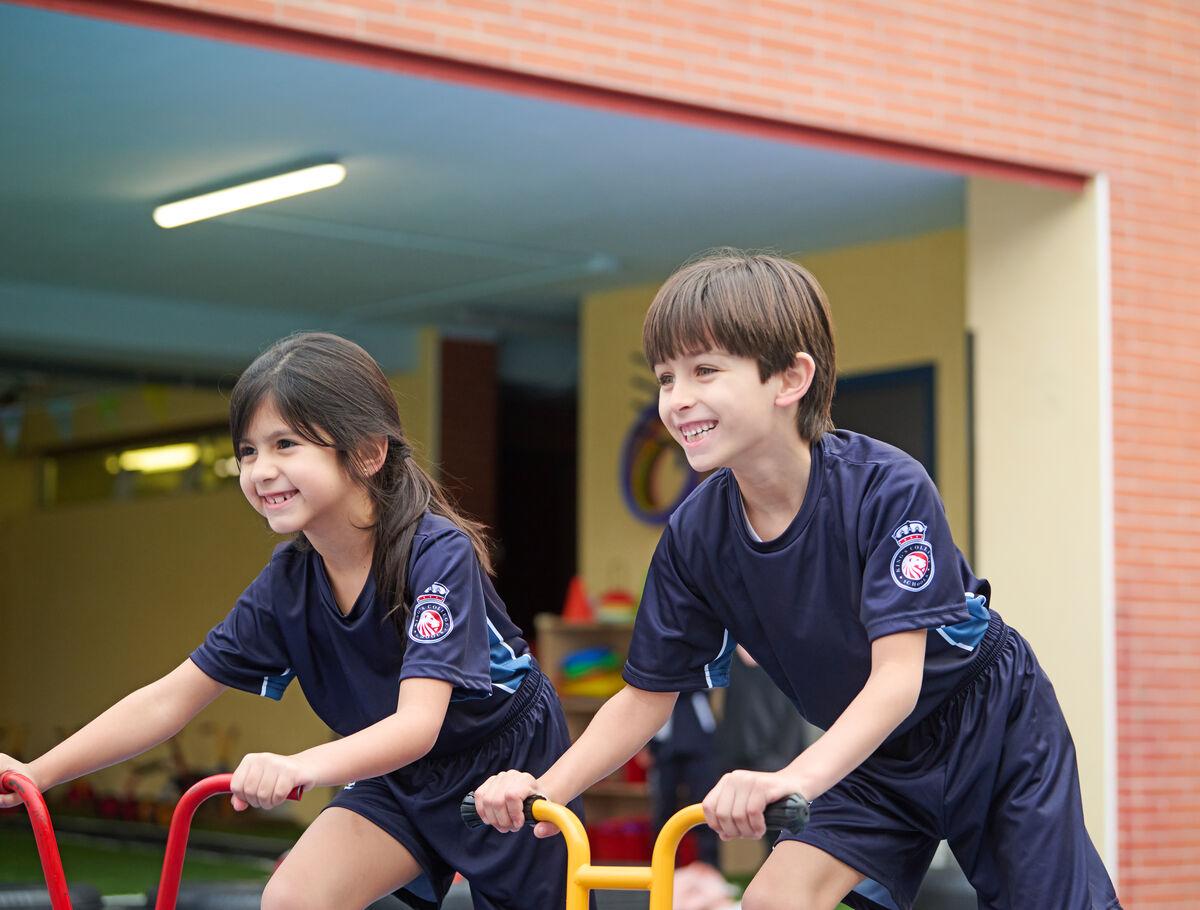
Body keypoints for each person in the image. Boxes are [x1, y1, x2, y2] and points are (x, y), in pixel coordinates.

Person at [471, 251, 1121, 910]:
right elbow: (645, 700)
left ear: (790, 379)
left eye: (704, 371)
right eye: (665, 377)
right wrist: (543, 789)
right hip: (874, 759)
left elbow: (898, 681)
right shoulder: (697, 535)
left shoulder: (886, 489)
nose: (678, 399)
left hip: (991, 725)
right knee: (772, 900)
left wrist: (792, 779)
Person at [0, 333, 578, 910]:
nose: (261, 470)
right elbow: (168, 701)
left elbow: (417, 726)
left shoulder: (436, 553)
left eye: (285, 443)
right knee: (292, 898)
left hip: (507, 770)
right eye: (248, 451)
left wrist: (297, 765)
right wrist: (37, 774)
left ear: (369, 452)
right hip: (397, 779)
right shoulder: (287, 583)